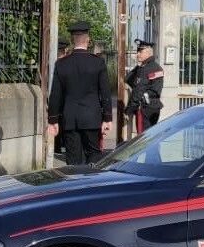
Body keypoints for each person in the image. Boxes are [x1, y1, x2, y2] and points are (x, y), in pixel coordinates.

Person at [47, 22, 113, 165]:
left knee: (73, 159)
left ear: (72, 40)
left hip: (70, 119)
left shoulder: (62, 64)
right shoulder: (98, 63)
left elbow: (55, 95)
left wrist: (53, 120)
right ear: (88, 39)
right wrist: (107, 118)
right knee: (93, 156)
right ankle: (91, 183)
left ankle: (74, 184)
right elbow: (105, 92)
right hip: (92, 118)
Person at [126, 39, 165, 132]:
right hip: (154, 107)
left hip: (144, 108)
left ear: (148, 52)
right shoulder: (156, 67)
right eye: (137, 52)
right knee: (151, 135)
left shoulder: (145, 69)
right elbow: (128, 79)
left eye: (140, 51)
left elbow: (138, 90)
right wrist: (139, 67)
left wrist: (129, 110)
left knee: (142, 138)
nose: (137, 54)